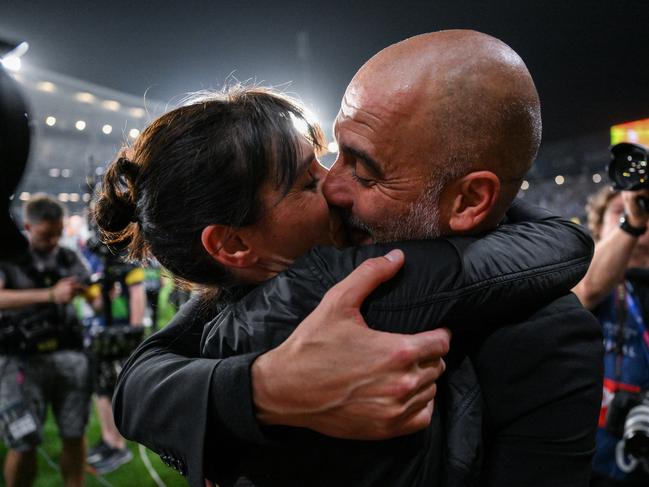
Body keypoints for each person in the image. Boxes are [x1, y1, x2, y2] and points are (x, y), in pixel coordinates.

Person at [100, 30, 602, 487]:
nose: (334, 187)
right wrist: (268, 390)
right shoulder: (273, 277)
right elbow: (141, 382)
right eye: (333, 155)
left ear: (469, 202)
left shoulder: (548, 339)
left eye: (366, 173)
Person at [0, 194, 91, 487]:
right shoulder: (10, 256)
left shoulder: (67, 256)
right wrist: (50, 295)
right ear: (28, 226)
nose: (53, 240)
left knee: (74, 433)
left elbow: (91, 292)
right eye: (45, 234)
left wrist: (95, 295)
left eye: (57, 233)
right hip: (20, 359)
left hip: (69, 354)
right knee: (23, 441)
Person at [573, 187, 649, 486]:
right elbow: (587, 290)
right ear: (599, 227)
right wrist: (632, 223)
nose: (640, 217)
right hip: (588, 465)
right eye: (620, 211)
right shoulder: (581, 277)